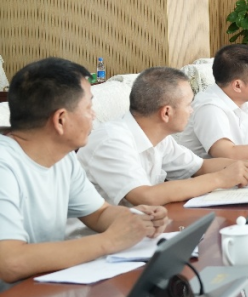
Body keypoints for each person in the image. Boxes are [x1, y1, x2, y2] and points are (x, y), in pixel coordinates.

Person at [0, 58, 169, 284]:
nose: (94, 116)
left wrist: (137, 219)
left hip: (46, 286)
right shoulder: (4, 165)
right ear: (61, 120)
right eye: (89, 107)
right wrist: (109, 241)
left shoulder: (63, 157)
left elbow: (98, 213)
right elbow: (10, 262)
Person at [79, 67, 248, 207]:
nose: (192, 110)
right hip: (92, 244)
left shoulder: (159, 136)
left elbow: (200, 166)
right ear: (166, 113)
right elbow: (145, 196)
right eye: (188, 104)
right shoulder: (112, 140)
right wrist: (221, 178)